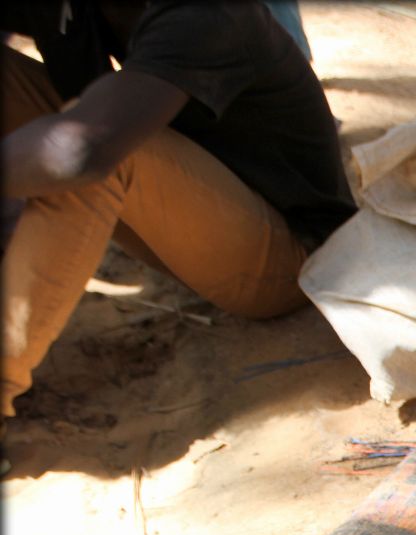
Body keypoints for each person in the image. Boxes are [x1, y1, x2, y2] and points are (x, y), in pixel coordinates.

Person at [1, 0, 357, 418]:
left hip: (291, 257)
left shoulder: (209, 14)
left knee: (101, 152)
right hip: (190, 224)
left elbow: (80, 153)